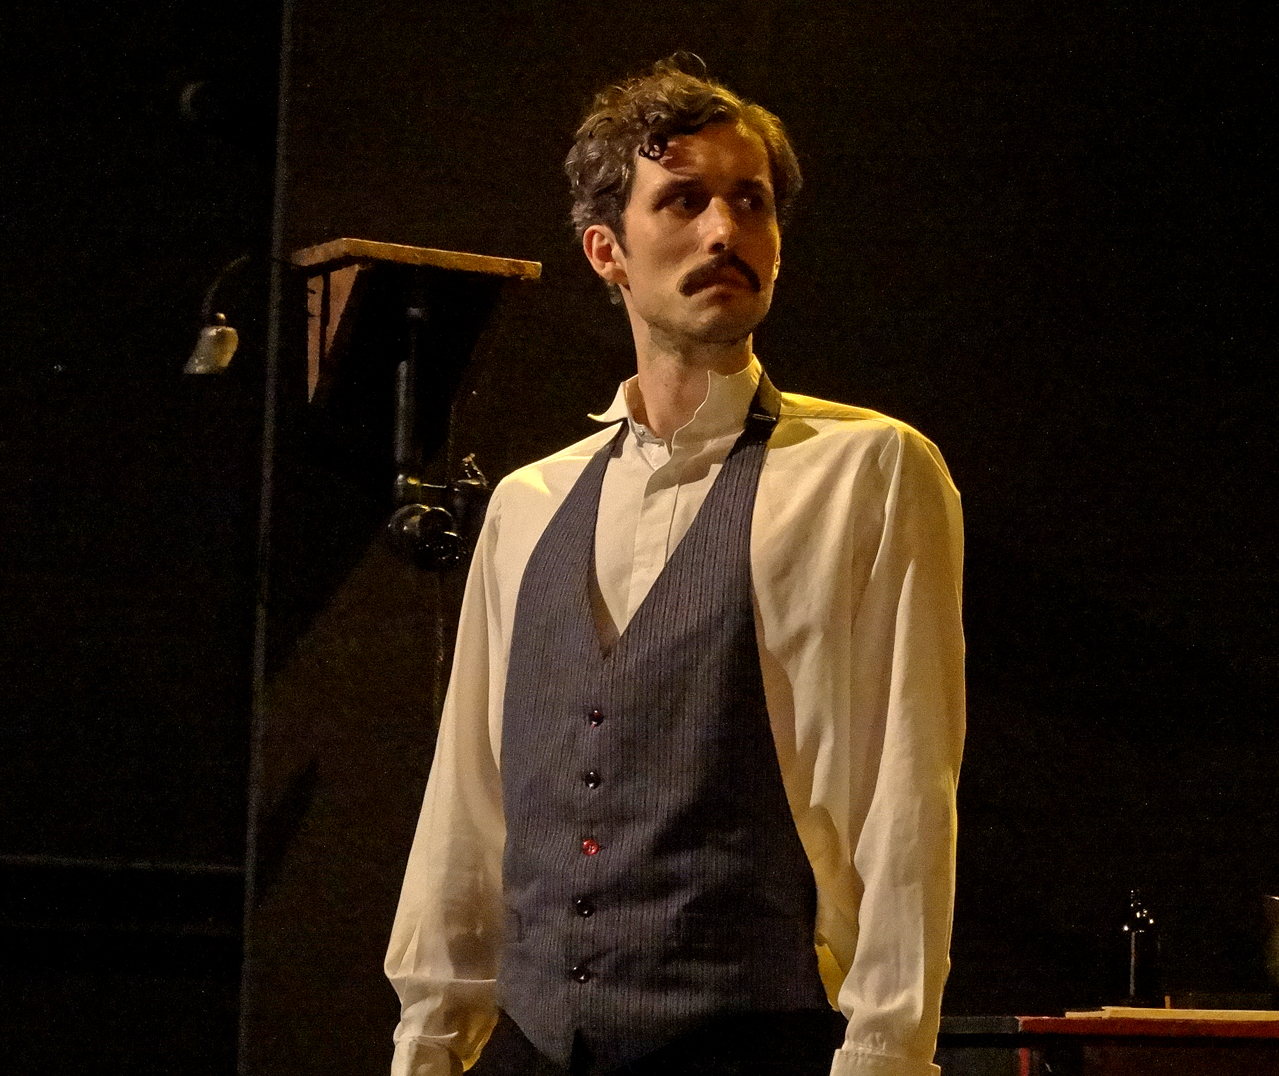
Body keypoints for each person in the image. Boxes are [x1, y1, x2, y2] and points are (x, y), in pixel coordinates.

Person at [385, 55, 965, 1076]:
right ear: (606, 250)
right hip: (533, 1046)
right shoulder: (528, 504)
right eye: (685, 200)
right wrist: (427, 1042)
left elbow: (907, 792)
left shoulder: (869, 472)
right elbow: (467, 805)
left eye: (751, 202)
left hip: (753, 1040)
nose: (724, 231)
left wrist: (888, 1051)